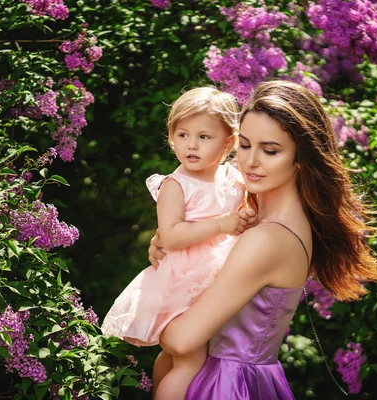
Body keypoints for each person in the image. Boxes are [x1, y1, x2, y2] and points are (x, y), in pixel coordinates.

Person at [148, 80, 377, 399]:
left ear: (301, 157)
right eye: (245, 145)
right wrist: (172, 246)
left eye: (270, 150)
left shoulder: (268, 238)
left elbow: (181, 340)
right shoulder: (250, 215)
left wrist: (145, 316)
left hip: (224, 385)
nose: (250, 162)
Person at [100, 87, 258, 400]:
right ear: (171, 137)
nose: (191, 145)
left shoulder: (232, 178)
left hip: (217, 273)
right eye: (183, 134)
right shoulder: (175, 185)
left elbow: (248, 209)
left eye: (204, 137)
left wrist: (246, 217)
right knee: (190, 360)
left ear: (228, 143)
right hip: (186, 278)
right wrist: (220, 225)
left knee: (174, 357)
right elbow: (169, 235)